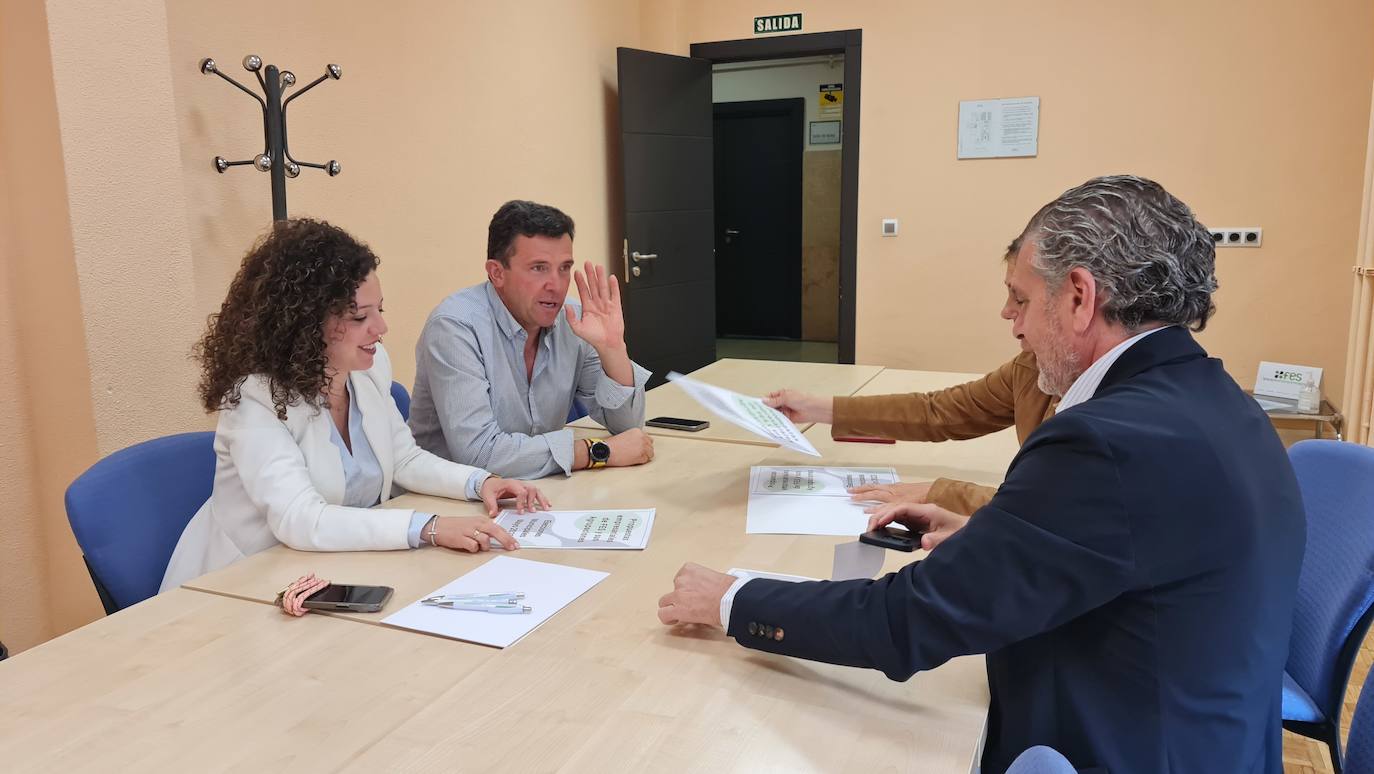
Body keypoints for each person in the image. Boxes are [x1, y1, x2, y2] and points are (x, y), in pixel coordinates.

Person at [656, 175, 1306, 773]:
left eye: (1021, 299)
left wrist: (732, 599)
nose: (1009, 320)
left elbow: (906, 621)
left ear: (1079, 296)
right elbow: (1118, 548)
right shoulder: (1215, 398)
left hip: (1126, 746)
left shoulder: (1104, 441)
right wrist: (1000, 531)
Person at [160, 219, 547, 592]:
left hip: (329, 571)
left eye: (380, 309)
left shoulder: (368, 366)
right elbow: (300, 520)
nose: (380, 329)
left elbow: (404, 459)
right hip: (240, 586)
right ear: (305, 324)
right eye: (360, 316)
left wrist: (481, 483)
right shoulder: (255, 398)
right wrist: (427, 527)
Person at [765, 241, 1054, 515]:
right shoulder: (1033, 365)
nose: (1006, 311)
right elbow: (940, 411)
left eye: (1019, 298)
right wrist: (817, 408)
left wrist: (937, 494)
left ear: (1078, 300)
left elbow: (1053, 508)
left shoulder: (1095, 404)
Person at [408, 200, 654, 479]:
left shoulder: (573, 319)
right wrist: (596, 452)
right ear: (496, 273)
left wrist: (613, 349)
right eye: (539, 268)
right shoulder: (455, 327)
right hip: (448, 499)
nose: (556, 285)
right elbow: (478, 453)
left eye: (564, 268)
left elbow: (629, 430)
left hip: (534, 492)